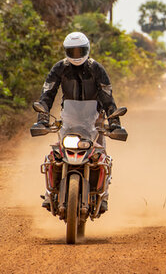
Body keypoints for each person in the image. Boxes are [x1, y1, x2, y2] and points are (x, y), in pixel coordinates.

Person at [35, 32, 121, 212]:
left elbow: (107, 95)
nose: (76, 55)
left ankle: (103, 194)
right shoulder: (60, 68)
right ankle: (50, 192)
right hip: (70, 119)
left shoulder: (96, 69)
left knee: (101, 157)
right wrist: (42, 117)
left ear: (87, 49)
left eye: (79, 50)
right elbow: (48, 93)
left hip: (94, 120)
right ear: (66, 51)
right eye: (71, 51)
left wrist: (114, 121)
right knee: (56, 155)